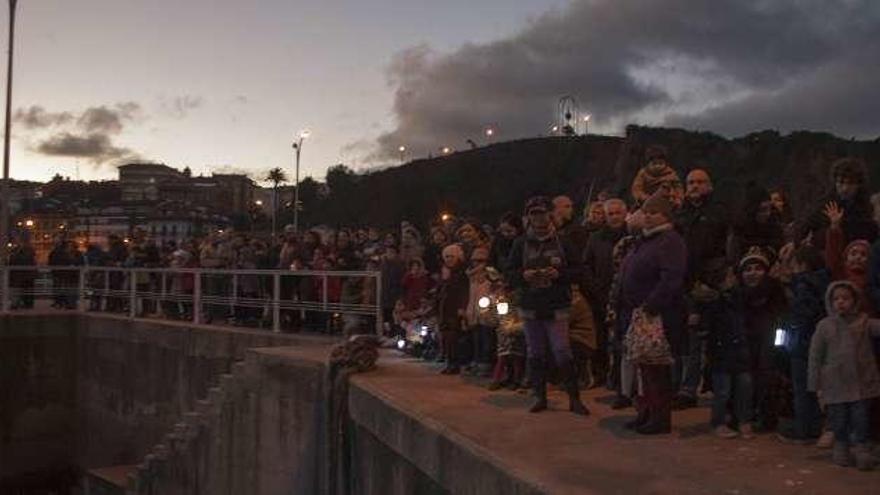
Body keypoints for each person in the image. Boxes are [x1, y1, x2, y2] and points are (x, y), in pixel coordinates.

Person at [506, 196, 589, 416]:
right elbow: (510, 273)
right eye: (533, 213)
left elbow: (579, 270)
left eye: (542, 213)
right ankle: (540, 396)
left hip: (557, 304)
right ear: (528, 217)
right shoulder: (520, 244)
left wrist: (559, 274)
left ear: (549, 214)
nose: (538, 218)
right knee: (535, 351)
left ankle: (574, 398)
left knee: (562, 349)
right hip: (530, 304)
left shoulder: (563, 242)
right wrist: (524, 275)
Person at [618, 191, 687, 434]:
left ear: (665, 215)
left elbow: (671, 278)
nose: (647, 217)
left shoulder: (669, 240)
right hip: (640, 312)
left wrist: (651, 305)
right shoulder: (645, 240)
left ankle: (660, 417)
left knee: (656, 367)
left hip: (657, 314)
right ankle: (646, 411)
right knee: (643, 365)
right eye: (645, 212)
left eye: (653, 212)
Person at [674, 169, 732, 409]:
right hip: (688, 284)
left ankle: (719, 389)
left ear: (710, 185)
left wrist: (718, 279)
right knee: (691, 340)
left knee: (718, 339)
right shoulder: (681, 214)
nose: (695, 186)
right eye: (690, 182)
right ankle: (688, 389)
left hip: (714, 282)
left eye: (699, 182)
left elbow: (724, 247)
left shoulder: (719, 212)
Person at [808, 280, 880, 470]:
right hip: (835, 384)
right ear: (830, 302)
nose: (840, 302)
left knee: (860, 418)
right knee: (838, 419)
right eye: (836, 299)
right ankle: (841, 447)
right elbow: (815, 356)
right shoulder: (824, 326)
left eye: (845, 298)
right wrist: (815, 384)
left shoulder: (864, 322)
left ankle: (861, 449)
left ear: (855, 301)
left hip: (861, 383)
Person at [691, 267, 755, 439]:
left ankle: (743, 420)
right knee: (723, 390)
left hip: (739, 348)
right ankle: (718, 422)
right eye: (729, 276)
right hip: (721, 351)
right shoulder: (713, 301)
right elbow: (705, 326)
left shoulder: (737, 297)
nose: (733, 278)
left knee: (744, 386)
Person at [778, 245, 829, 444]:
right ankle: (815, 425)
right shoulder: (823, 281)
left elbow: (800, 314)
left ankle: (804, 429)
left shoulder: (803, 284)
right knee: (813, 388)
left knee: (802, 388)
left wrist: (789, 333)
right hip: (817, 342)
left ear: (801, 264)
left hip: (801, 342)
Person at [583, 198, 629, 388]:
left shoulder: (633, 235)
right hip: (601, 295)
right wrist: (595, 288)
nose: (615, 217)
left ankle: (621, 378)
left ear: (625, 214)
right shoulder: (595, 238)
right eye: (611, 213)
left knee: (623, 338)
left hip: (627, 295)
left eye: (618, 213)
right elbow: (587, 266)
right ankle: (601, 374)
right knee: (600, 339)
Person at [799, 157, 878, 249]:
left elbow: (867, 235)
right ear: (835, 182)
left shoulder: (866, 208)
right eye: (841, 182)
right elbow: (806, 225)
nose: (845, 188)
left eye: (851, 183)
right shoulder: (826, 203)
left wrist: (839, 226)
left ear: (859, 185)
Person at [437, 243, 469, 374]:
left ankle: (455, 363)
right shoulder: (446, 272)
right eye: (447, 257)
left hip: (454, 308)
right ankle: (449, 362)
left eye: (451, 256)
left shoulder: (461, 273)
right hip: (444, 307)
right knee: (446, 336)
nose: (449, 259)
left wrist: (462, 307)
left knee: (453, 336)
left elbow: (463, 290)